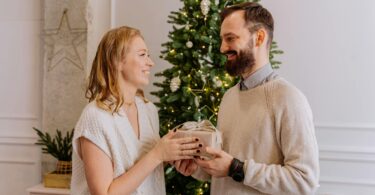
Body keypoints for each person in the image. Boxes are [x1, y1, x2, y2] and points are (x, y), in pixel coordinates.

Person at [174, 2, 320, 195]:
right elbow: (225, 165)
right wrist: (198, 169)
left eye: (230, 38)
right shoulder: (229, 97)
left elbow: (304, 180)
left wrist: (237, 168)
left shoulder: (288, 98)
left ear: (259, 37)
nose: (222, 48)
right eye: (222, 39)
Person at [71, 26, 201, 195]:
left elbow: (144, 166)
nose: (150, 63)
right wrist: (157, 155)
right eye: (142, 55)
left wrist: (172, 157)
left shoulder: (148, 110)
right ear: (116, 61)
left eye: (148, 55)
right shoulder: (95, 117)